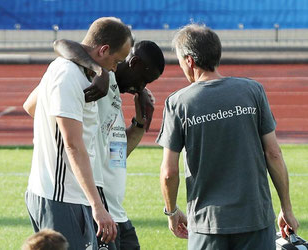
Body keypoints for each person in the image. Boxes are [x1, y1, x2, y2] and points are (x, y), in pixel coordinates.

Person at [156, 24, 299, 250]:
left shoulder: (178, 103)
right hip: (256, 219)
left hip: (208, 224)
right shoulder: (253, 91)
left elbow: (168, 172)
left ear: (190, 60)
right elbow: (273, 153)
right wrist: (286, 208)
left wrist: (172, 212)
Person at [26, 39, 165, 250]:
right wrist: (98, 70)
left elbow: (116, 156)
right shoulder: (90, 81)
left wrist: (138, 124)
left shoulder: (114, 93)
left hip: (115, 212)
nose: (142, 88)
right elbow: (62, 45)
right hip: (93, 207)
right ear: (133, 63)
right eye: (143, 80)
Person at [23, 17, 133, 250]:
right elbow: (73, 145)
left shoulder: (77, 71)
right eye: (116, 61)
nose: (115, 68)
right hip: (61, 197)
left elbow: (31, 107)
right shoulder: (68, 74)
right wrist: (98, 206)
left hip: (70, 194)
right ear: (103, 50)